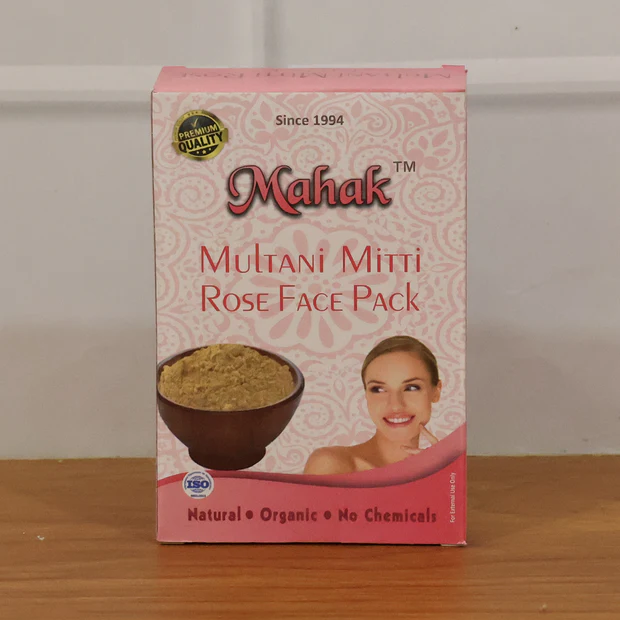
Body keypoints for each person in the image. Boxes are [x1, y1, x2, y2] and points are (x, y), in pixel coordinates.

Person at [304, 335, 441, 475]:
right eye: (378, 389)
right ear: (366, 395)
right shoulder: (331, 463)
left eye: (411, 388)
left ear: (436, 391)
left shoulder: (444, 473)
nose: (396, 405)